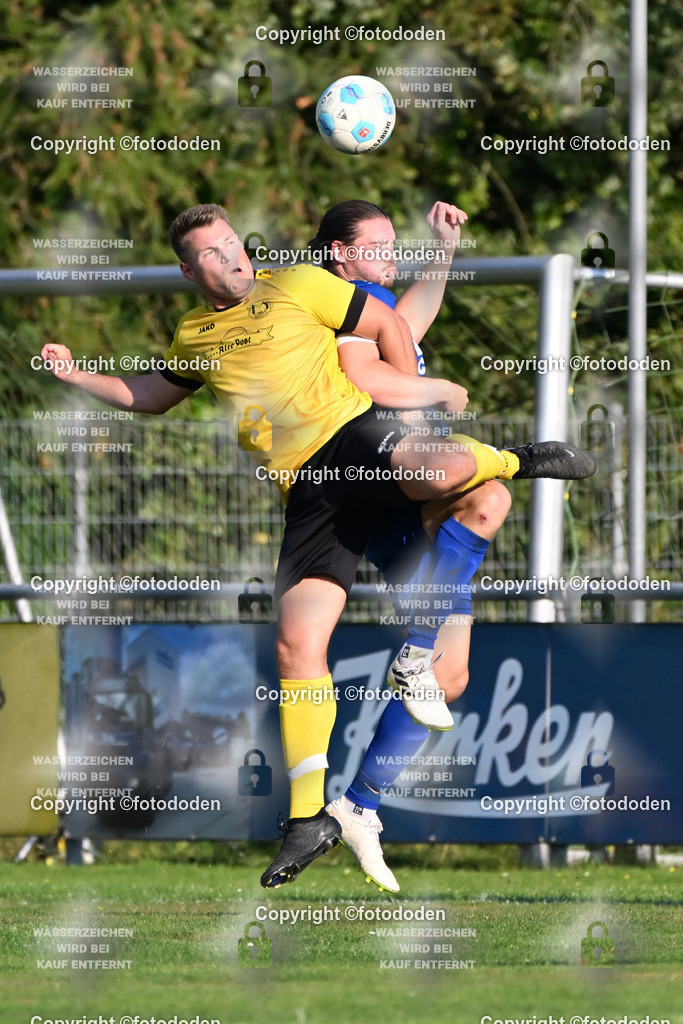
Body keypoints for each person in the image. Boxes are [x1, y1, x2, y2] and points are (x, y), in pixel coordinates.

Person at [39, 203, 595, 890]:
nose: (232, 259)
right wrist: (76, 377)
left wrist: (420, 390)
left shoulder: (296, 284)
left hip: (352, 438)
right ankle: (310, 817)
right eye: (210, 255)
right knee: (296, 643)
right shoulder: (196, 334)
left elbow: (390, 325)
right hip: (310, 488)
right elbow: (151, 394)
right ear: (188, 269)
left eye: (233, 245)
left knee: (475, 497)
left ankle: (518, 458)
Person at [308, 199, 512, 892]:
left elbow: (407, 324)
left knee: (448, 678)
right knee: (487, 495)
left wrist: (441, 249)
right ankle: (413, 653)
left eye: (395, 244)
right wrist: (439, 388)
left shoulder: (373, 300)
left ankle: (356, 806)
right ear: (339, 253)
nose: (389, 254)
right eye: (378, 244)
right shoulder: (340, 303)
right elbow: (368, 377)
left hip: (402, 482)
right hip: (389, 479)